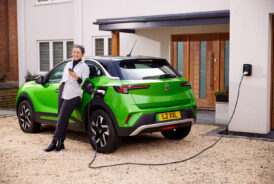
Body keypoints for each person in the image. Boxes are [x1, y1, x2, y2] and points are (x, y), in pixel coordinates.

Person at [44, 44, 90, 152]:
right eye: (74, 52)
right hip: (63, 91)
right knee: (62, 118)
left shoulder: (85, 67)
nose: (75, 54)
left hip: (74, 94)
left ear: (82, 54)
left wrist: (76, 77)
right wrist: (61, 83)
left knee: (61, 119)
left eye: (78, 52)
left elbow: (85, 83)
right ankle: (61, 143)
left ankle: (53, 142)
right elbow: (64, 77)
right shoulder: (68, 64)